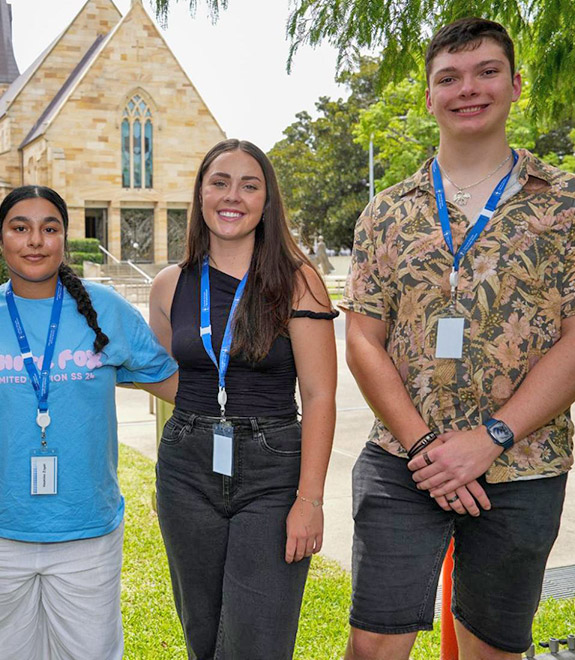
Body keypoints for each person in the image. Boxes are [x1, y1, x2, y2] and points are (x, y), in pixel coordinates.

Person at [340, 18, 575, 660]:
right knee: (373, 646)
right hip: (402, 460)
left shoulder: (571, 202)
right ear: (429, 96)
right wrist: (426, 448)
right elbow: (362, 339)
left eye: (486, 72)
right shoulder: (386, 212)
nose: (468, 89)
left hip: (522, 463)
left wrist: (490, 438)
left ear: (515, 85)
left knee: (491, 650)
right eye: (449, 78)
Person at [0, 185, 178, 660]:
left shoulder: (107, 310)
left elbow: (173, 384)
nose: (35, 240)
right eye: (20, 228)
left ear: (64, 238)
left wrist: (251, 391)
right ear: (0, 238)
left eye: (50, 228)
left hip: (86, 529)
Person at [147, 139, 338, 659]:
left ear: (266, 200)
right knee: (202, 634)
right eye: (220, 182)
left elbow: (320, 395)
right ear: (200, 194)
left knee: (258, 641)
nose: (233, 196)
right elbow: (171, 378)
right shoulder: (169, 285)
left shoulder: (298, 283)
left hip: (273, 471)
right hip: (186, 466)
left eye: (249, 185)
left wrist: (310, 500)